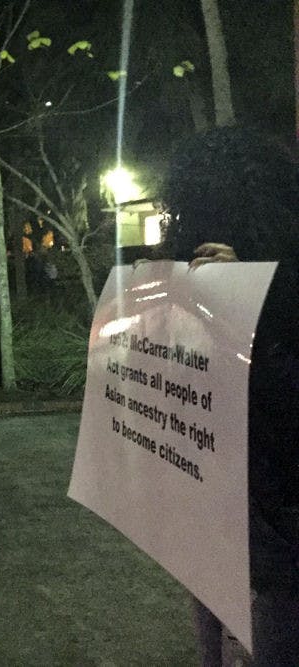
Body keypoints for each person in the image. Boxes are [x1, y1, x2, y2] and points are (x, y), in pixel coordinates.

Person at [158, 127, 299, 666]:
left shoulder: (283, 288)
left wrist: (245, 311)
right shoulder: (199, 278)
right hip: (217, 501)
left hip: (277, 515)